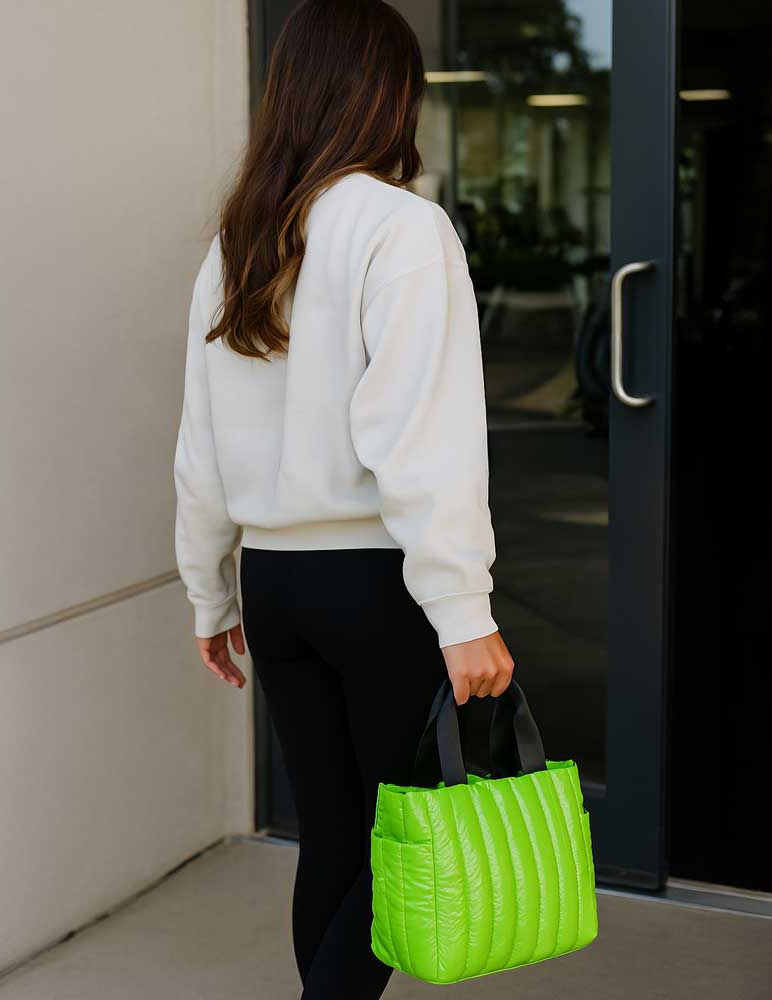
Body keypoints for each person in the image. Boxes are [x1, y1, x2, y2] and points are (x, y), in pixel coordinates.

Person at [173, 1, 514, 996]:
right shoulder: (402, 229)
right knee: (394, 841)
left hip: (277, 586)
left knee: (334, 835)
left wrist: (210, 592)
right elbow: (425, 439)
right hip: (378, 589)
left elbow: (198, 446)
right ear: (388, 97)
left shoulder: (238, 243)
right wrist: (462, 609)